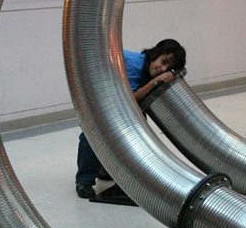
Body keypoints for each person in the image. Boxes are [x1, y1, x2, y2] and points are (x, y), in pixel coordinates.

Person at [75, 38, 186, 199]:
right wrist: (154, 82)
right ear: (155, 54)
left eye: (168, 68)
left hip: (110, 98)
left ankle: (105, 170)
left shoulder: (146, 68)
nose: (162, 69)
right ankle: (84, 181)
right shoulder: (134, 64)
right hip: (94, 96)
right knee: (93, 133)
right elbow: (128, 99)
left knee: (137, 123)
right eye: (163, 61)